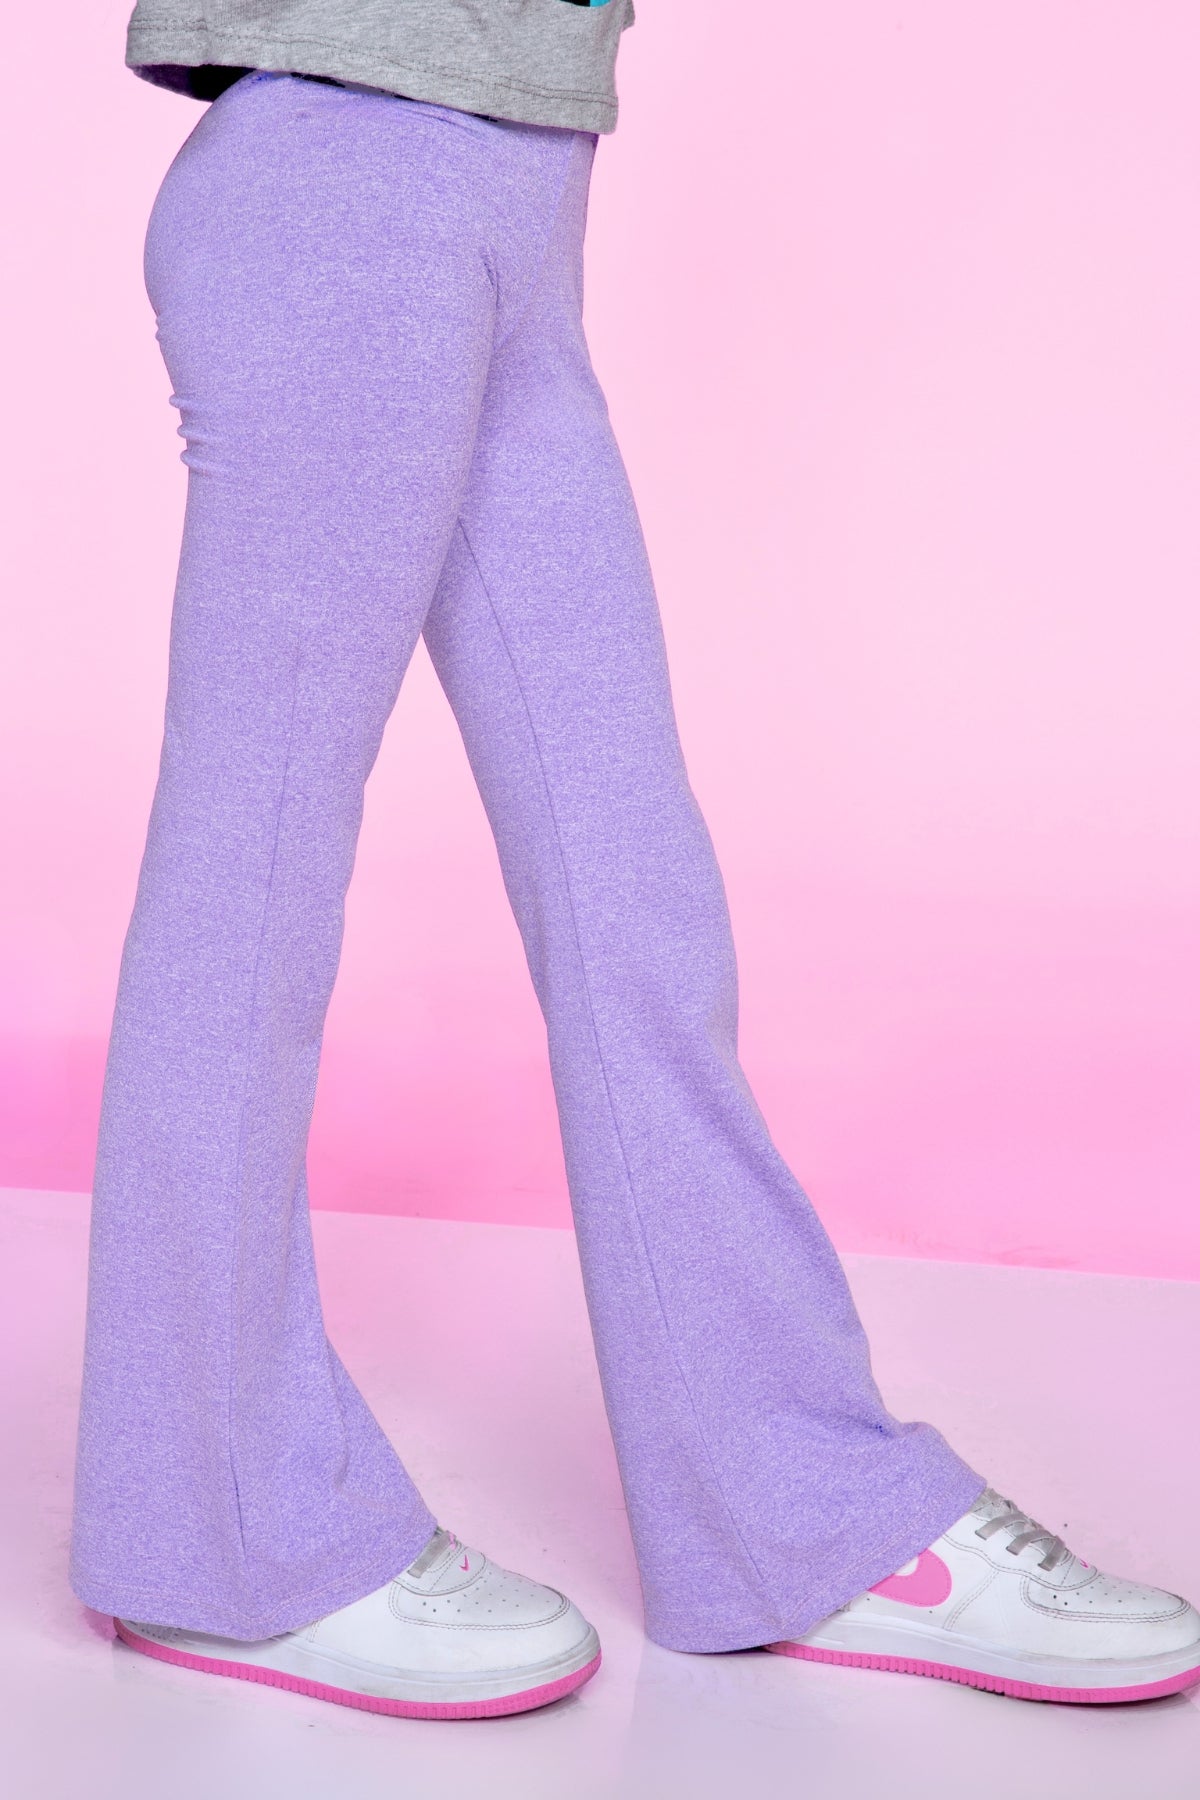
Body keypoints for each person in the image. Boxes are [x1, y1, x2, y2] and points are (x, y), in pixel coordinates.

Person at [69, 1, 1200, 1719]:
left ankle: (795, 1508)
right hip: (348, 174)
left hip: (523, 200)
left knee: (636, 905)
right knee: (259, 881)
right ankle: (213, 1535)